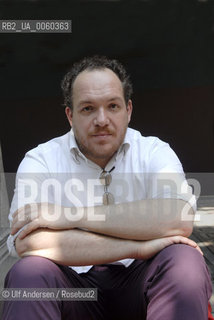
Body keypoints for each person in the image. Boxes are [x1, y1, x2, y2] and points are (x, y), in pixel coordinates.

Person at [2, 55, 212, 320]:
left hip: (143, 285)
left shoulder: (154, 151)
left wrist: (70, 215)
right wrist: (137, 247)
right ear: (70, 115)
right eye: (88, 108)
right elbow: (28, 242)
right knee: (28, 274)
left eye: (113, 106)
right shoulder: (41, 160)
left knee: (185, 263)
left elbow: (177, 217)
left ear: (128, 110)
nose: (102, 120)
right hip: (72, 289)